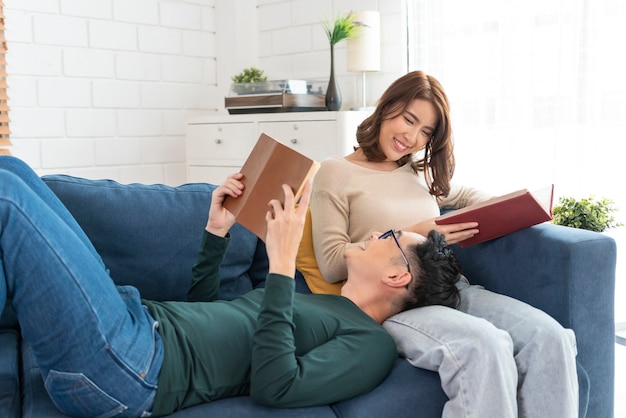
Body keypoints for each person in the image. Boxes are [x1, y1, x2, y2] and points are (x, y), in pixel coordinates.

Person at [0, 155, 462, 417]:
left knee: (7, 197)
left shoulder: (370, 346)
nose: (372, 236)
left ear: (397, 275)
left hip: (131, 368)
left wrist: (281, 264)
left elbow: (275, 386)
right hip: (134, 325)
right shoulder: (318, 302)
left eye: (388, 237)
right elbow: (210, 314)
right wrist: (216, 233)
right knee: (13, 169)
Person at [309, 70, 579, 418]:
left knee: (550, 337)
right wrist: (418, 229)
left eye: (426, 132)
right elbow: (331, 262)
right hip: (399, 303)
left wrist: (516, 205)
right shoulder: (335, 171)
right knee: (485, 345)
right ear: (386, 106)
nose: (412, 137)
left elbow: (465, 195)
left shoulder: (415, 172)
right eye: (409, 119)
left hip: (453, 287)